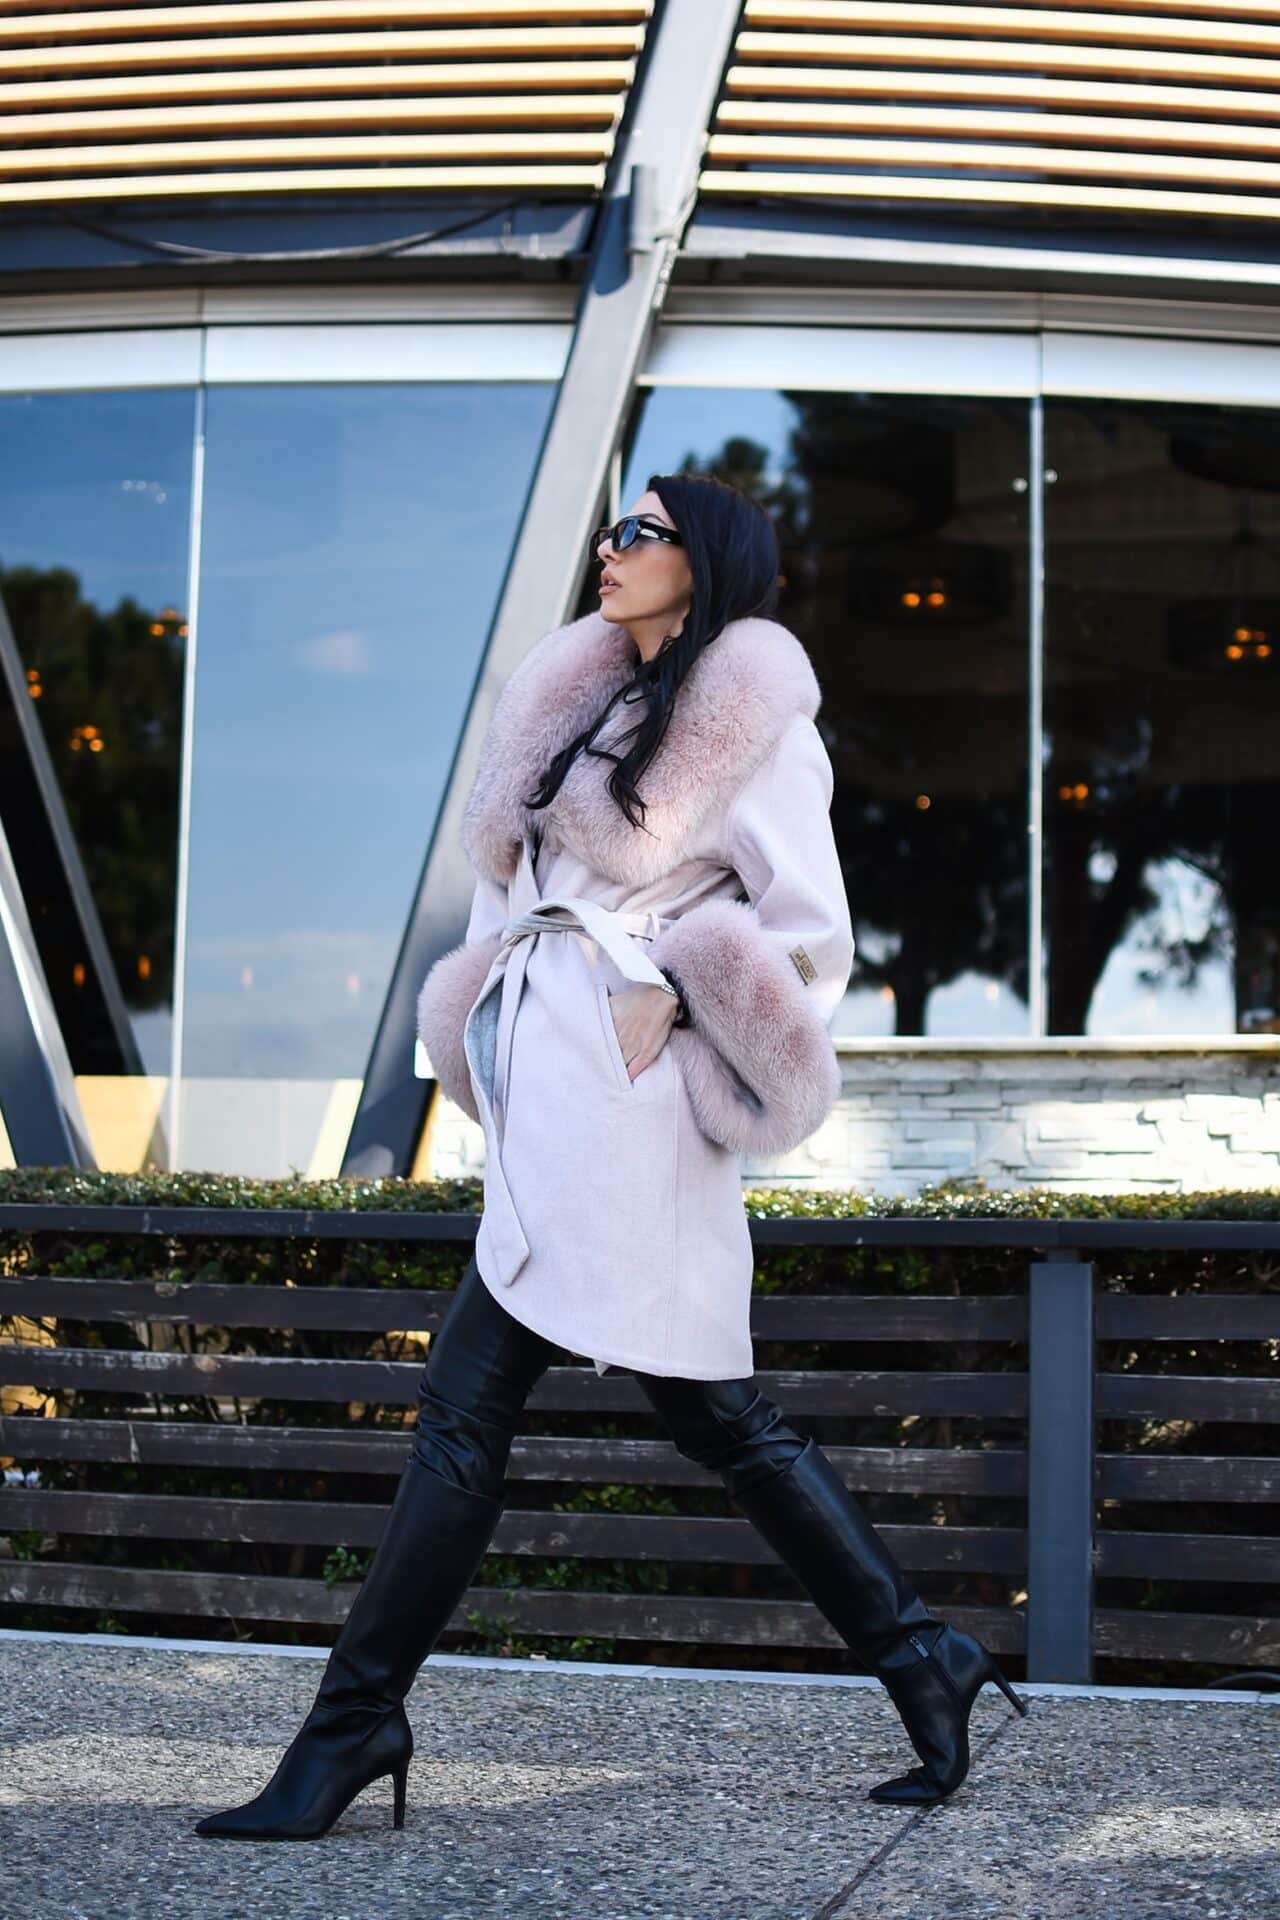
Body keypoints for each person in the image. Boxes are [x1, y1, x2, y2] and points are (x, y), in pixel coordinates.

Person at [194, 473, 1027, 1842]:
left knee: (511, 1409)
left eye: (640, 532)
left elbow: (813, 938)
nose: (611, 546)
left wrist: (687, 994)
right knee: (699, 1419)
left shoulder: (753, 727)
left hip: (634, 1112)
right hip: (552, 1097)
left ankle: (352, 1726)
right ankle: (922, 1657)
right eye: (614, 528)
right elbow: (515, 896)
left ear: (705, 559)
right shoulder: (578, 705)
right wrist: (495, 1025)